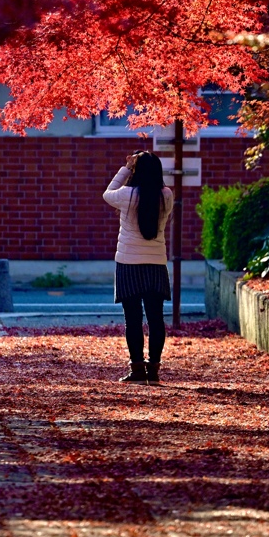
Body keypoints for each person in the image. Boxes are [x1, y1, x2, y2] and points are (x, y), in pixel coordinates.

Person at [103, 150, 174, 384]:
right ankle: (154, 369)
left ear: (137, 171)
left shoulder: (126, 195)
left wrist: (125, 168)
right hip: (156, 264)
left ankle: (137, 370)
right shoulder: (166, 195)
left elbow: (107, 194)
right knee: (156, 319)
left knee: (132, 320)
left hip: (128, 263)